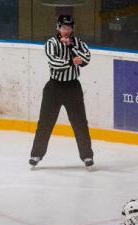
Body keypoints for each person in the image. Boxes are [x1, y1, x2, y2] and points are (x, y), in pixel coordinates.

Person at [29, 14, 94, 170]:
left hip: (73, 88)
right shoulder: (51, 43)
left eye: (69, 28)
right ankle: (36, 154)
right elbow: (54, 63)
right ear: (58, 27)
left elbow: (86, 58)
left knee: (80, 124)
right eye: (64, 27)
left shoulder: (77, 43)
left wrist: (71, 48)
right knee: (45, 123)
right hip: (54, 88)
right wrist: (72, 61)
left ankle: (87, 156)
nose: (67, 30)